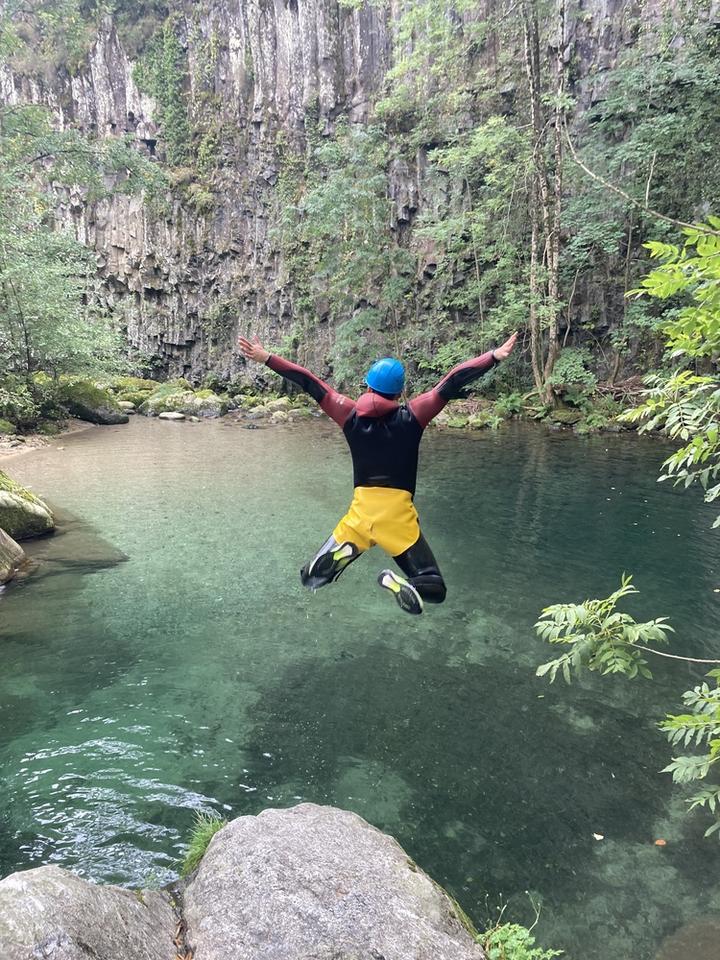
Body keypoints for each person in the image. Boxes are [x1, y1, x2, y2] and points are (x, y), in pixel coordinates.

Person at [238, 332, 518, 615]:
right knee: (434, 585)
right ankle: (403, 583)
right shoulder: (413, 416)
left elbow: (309, 381)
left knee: (309, 577)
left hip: (360, 515)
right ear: (398, 393)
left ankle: (344, 549)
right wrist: (492, 356)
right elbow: (453, 381)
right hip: (396, 518)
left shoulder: (348, 414)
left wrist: (267, 357)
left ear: (368, 386)